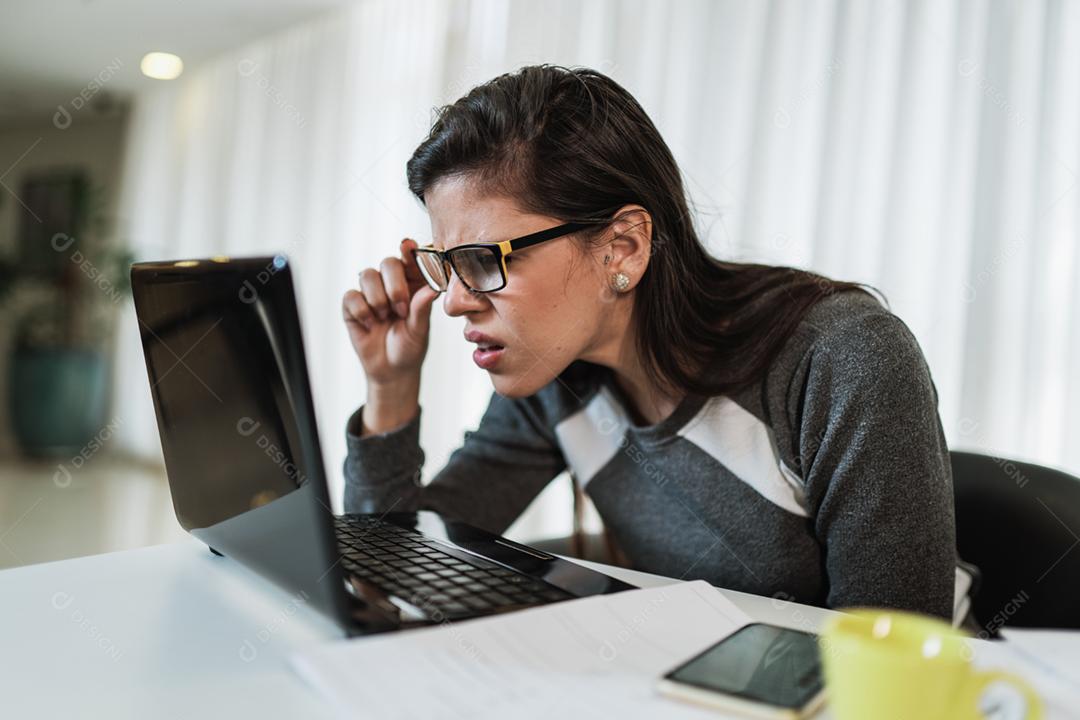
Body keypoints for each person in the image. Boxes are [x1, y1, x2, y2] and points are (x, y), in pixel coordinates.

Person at [341, 65, 958, 619]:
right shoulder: (552, 381)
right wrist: (389, 391)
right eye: (444, 263)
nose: (452, 300)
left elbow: (891, 661)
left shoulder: (842, 359)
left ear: (624, 248)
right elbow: (393, 569)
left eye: (482, 260)